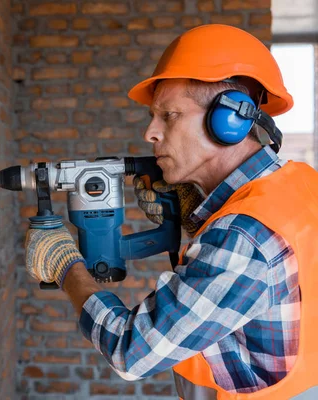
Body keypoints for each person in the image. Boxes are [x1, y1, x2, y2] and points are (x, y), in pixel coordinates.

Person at [24, 24, 318, 399]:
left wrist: (65, 266)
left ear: (230, 119)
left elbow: (130, 350)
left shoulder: (243, 235)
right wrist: (195, 214)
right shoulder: (301, 184)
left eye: (169, 115)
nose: (150, 132)